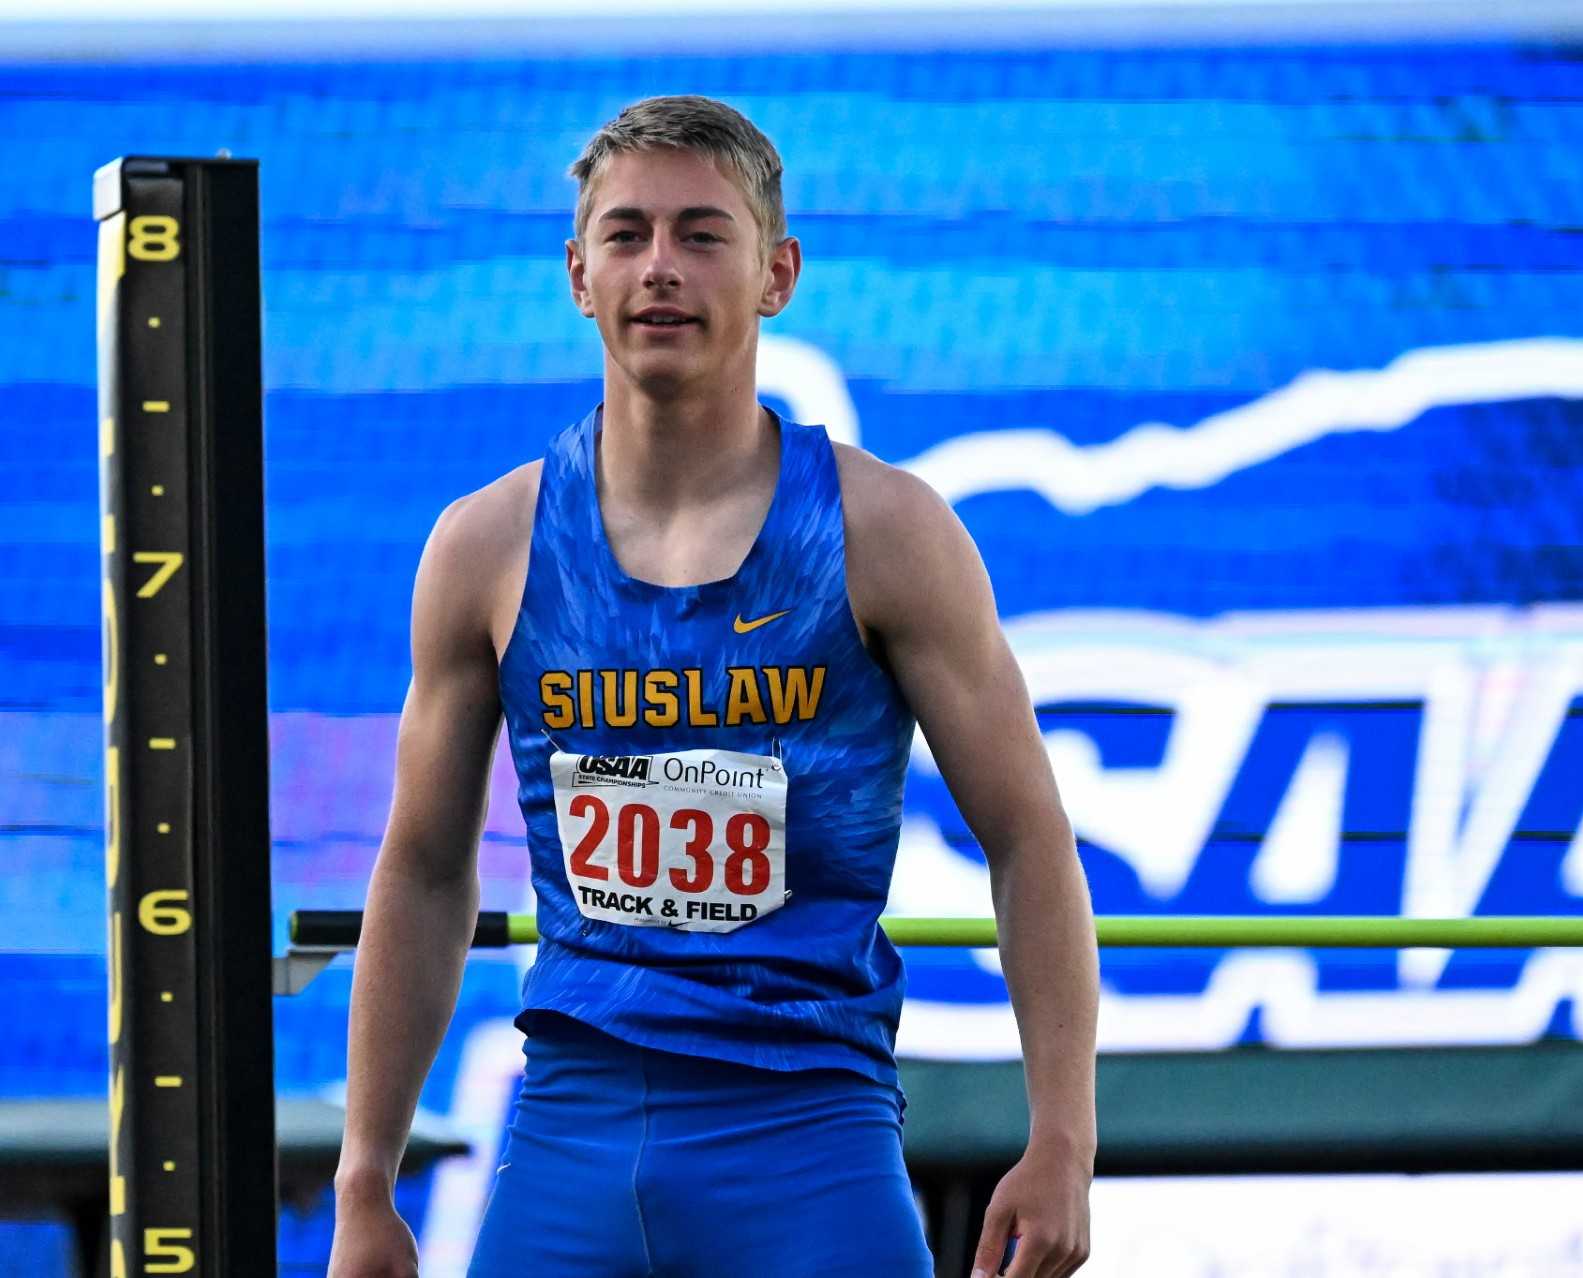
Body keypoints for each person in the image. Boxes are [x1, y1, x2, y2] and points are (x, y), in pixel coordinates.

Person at [326, 94, 1098, 1278]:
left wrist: (1062, 1139)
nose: (661, 270)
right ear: (578, 274)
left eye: (702, 233)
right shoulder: (487, 547)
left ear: (778, 272)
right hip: (573, 1127)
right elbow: (424, 867)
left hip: (808, 1131)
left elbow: (1030, 837)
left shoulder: (885, 532)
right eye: (626, 235)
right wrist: (365, 1181)